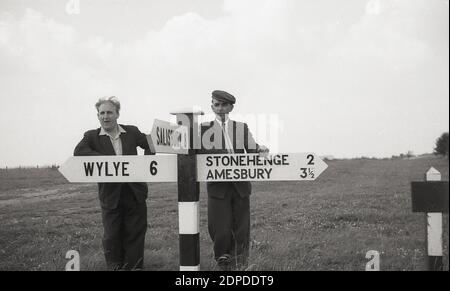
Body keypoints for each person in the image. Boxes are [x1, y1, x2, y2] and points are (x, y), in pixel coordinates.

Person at [74, 96, 154, 270]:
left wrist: (145, 164)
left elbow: (151, 144)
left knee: (135, 234)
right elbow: (79, 152)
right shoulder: (91, 136)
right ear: (98, 116)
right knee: (111, 235)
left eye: (109, 112)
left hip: (135, 193)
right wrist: (108, 162)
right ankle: (115, 267)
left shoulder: (131, 132)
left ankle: (134, 267)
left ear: (117, 114)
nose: (105, 116)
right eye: (101, 113)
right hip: (110, 195)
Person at [200, 90, 269, 271]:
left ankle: (241, 265)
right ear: (212, 107)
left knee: (241, 229)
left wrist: (260, 149)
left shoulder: (241, 127)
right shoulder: (203, 129)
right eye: (217, 105)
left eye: (224, 105)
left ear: (231, 107)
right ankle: (223, 264)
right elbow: (199, 153)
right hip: (218, 187)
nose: (220, 108)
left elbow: (252, 148)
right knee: (220, 229)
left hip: (240, 186)